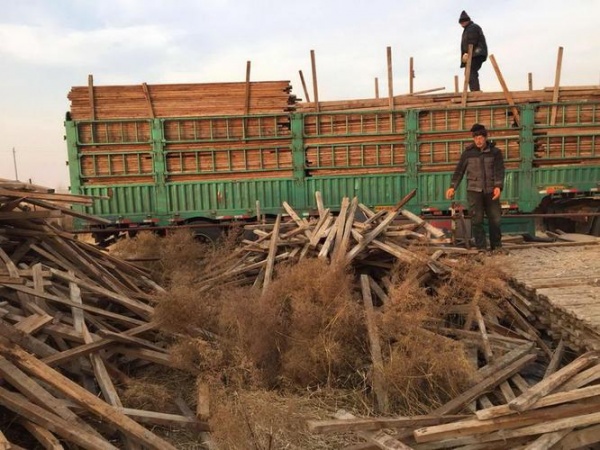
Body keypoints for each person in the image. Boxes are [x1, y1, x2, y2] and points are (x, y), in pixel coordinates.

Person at [445, 123, 505, 252]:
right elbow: (459, 171)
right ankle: (481, 247)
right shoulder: (468, 153)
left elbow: (499, 170)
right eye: (476, 138)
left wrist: (498, 186)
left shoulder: (495, 152)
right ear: (473, 139)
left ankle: (497, 246)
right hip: (474, 191)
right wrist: (452, 187)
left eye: (481, 138)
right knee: (477, 221)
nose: (478, 140)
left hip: (491, 191)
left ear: (485, 137)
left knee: (495, 219)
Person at [459, 10, 488, 92]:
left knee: (470, 71)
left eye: (462, 22)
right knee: (469, 72)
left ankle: (475, 92)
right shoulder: (468, 28)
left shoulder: (472, 28)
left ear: (466, 20)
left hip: (476, 53)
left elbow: (472, 41)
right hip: (474, 54)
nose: (461, 24)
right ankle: (475, 91)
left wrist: (467, 53)